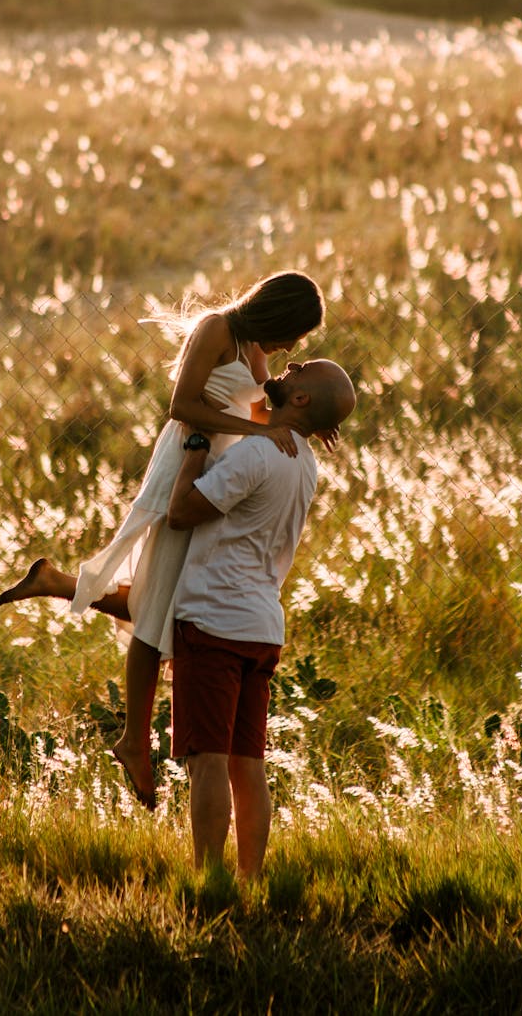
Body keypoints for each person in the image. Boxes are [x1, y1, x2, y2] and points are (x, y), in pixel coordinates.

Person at [0, 272, 328, 809]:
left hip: (221, 468)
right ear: (277, 314)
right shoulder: (217, 329)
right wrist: (260, 433)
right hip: (188, 459)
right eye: (294, 333)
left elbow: (262, 409)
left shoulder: (257, 352)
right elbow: (182, 405)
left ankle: (56, 584)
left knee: (166, 597)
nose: (292, 348)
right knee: (160, 598)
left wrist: (302, 423)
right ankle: (134, 739)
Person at [166, 358, 356, 879]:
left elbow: (181, 513)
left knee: (207, 762)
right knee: (247, 766)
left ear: (299, 401)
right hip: (262, 627)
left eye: (300, 370)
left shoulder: (256, 455)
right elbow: (261, 395)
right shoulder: (304, 463)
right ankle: (248, 883)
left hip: (213, 621)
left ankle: (209, 883)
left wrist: (194, 449)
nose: (288, 367)